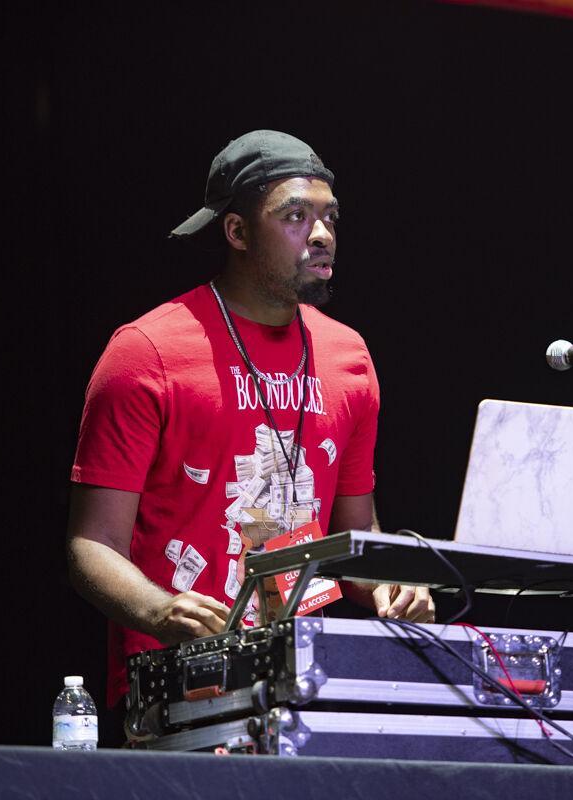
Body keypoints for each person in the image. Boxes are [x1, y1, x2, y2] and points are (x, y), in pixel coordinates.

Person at [66, 130, 434, 724]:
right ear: (236, 232)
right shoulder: (147, 351)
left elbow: (355, 528)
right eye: (295, 216)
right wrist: (162, 612)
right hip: (179, 693)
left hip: (302, 687)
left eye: (329, 217)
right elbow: (91, 546)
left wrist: (388, 585)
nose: (321, 235)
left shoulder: (350, 356)